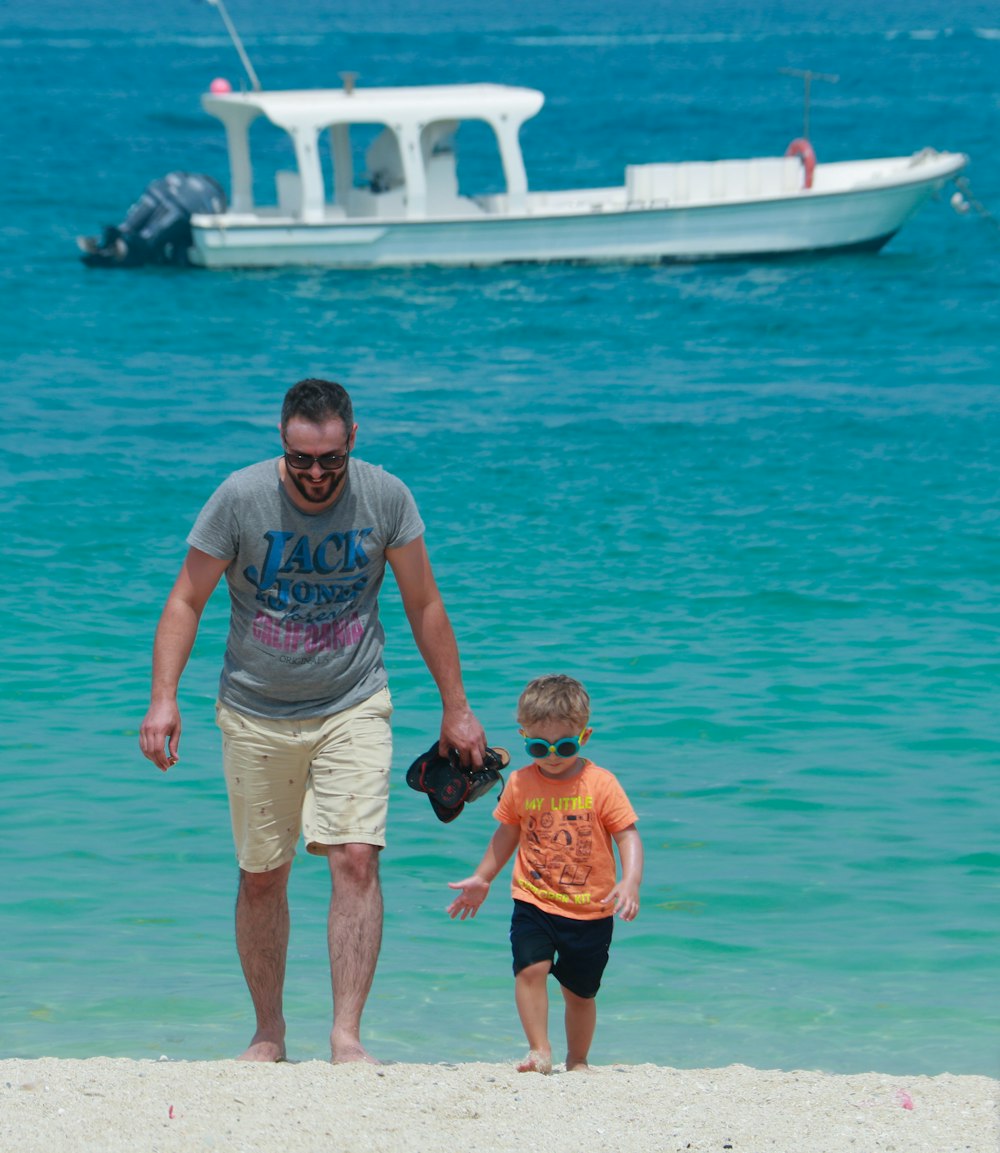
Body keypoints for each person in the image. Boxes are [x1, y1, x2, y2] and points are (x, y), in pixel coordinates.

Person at [139, 378, 486, 1064]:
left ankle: (346, 1035)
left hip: (354, 700)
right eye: (302, 459)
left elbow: (423, 602)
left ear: (352, 439)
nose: (318, 473)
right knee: (263, 872)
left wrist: (457, 706)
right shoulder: (238, 498)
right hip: (254, 709)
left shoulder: (385, 496)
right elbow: (186, 597)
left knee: (356, 857)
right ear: (283, 442)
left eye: (331, 458)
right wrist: (163, 697)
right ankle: (269, 1032)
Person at [447, 674, 642, 1074]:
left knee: (580, 993)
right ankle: (539, 1050)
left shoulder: (601, 784)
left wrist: (630, 880)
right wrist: (483, 878)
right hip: (533, 900)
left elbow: (627, 835)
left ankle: (578, 1059)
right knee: (530, 969)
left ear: (584, 736)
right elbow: (507, 833)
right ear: (523, 737)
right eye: (538, 746)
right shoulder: (519, 783)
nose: (552, 755)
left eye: (564, 746)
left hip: (590, 910)